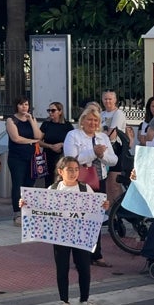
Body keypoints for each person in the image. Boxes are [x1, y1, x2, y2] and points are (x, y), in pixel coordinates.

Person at [29, 156, 106, 305]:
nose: (73, 173)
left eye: (76, 169)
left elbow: (96, 209)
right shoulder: (54, 189)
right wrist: (26, 204)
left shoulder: (85, 189)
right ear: (60, 171)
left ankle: (84, 300)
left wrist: (103, 205)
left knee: (84, 267)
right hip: (60, 235)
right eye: (69, 169)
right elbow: (40, 208)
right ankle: (64, 302)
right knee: (62, 268)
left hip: (81, 235)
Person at [62, 107, 117, 264]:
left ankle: (96, 254)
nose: (93, 123)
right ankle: (80, 255)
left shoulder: (102, 137)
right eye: (90, 119)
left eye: (96, 120)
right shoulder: (73, 135)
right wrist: (93, 152)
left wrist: (102, 154)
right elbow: (71, 159)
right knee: (80, 219)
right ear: (82, 120)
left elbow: (114, 160)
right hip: (79, 183)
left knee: (97, 218)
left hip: (99, 181)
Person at [5, 97, 44, 224]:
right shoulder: (11, 120)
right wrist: (31, 141)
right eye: (21, 104)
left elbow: (38, 136)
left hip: (32, 157)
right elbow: (16, 138)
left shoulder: (31, 119)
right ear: (16, 106)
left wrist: (32, 121)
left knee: (29, 184)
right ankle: (17, 213)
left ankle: (27, 211)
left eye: (26, 105)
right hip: (17, 158)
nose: (24, 107)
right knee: (18, 184)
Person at [40, 102, 74, 173]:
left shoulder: (67, 126)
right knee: (48, 181)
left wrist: (61, 144)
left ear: (60, 111)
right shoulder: (46, 124)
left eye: (53, 110)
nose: (50, 113)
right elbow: (38, 141)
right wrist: (50, 146)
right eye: (48, 110)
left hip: (62, 157)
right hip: (47, 156)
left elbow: (73, 141)